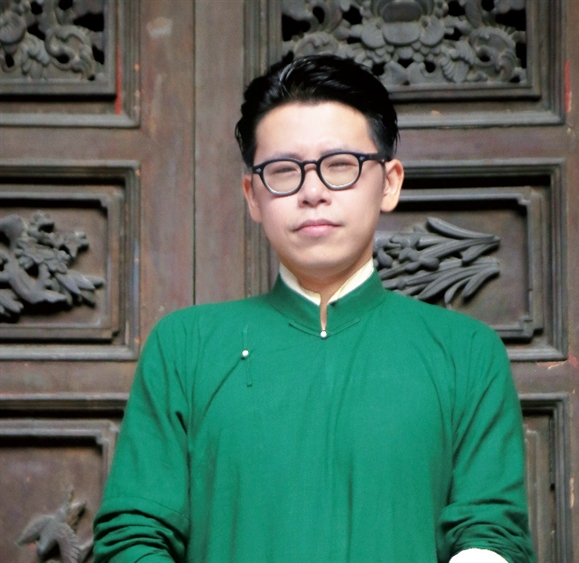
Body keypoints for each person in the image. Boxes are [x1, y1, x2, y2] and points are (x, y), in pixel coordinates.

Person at [93, 55, 535, 563]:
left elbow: (491, 535)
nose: (312, 192)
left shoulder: (465, 353)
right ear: (252, 195)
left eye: (340, 165)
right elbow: (133, 536)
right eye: (284, 171)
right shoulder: (185, 348)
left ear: (389, 182)